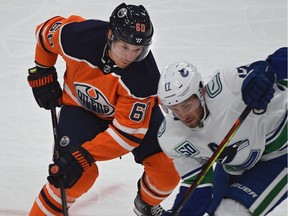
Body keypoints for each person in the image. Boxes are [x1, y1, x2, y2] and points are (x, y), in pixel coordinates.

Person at [27, 3, 180, 216]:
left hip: (129, 123)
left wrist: (84, 155)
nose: (130, 56)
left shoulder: (145, 79)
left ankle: (145, 204)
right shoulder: (78, 37)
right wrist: (42, 70)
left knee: (167, 171)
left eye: (138, 50)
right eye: (124, 47)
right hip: (80, 111)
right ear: (110, 36)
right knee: (70, 177)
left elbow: (126, 134)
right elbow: (45, 34)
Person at [157, 47, 287, 215]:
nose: (183, 115)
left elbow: (283, 57)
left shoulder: (229, 85)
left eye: (187, 106)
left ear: (201, 92)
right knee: (214, 210)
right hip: (236, 164)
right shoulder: (172, 136)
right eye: (174, 109)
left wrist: (269, 69)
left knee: (230, 212)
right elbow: (198, 188)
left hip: (281, 153)